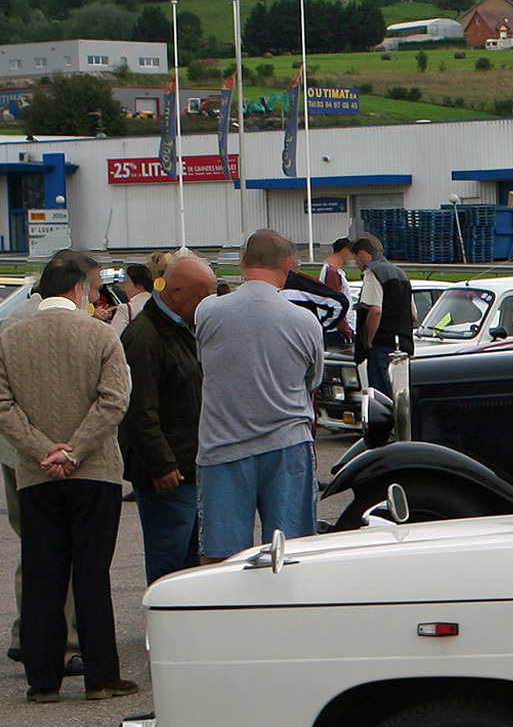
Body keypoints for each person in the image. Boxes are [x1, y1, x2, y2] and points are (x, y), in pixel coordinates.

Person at [0, 254, 137, 701]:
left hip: (36, 473)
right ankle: (101, 675)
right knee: (91, 573)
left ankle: (43, 680)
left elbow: (3, 406)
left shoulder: (11, 338)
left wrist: (44, 449)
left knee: (43, 572)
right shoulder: (100, 335)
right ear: (79, 290)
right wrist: (76, 449)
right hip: (95, 470)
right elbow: (114, 401)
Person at [195, 229, 325, 561]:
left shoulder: (208, 312)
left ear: (242, 262)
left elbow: (205, 363)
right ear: (288, 263)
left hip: (223, 446)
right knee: (292, 553)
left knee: (221, 558)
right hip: (287, 443)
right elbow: (313, 380)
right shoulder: (304, 320)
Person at [120, 253, 216, 583]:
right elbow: (138, 409)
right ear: (176, 294)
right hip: (167, 475)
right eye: (202, 297)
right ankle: (166, 629)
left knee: (191, 562)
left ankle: (187, 629)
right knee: (169, 561)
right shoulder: (145, 337)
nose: (207, 305)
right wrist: (161, 465)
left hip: (190, 466)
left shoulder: (183, 329)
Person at [351, 232, 414, 395]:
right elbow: (413, 315)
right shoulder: (402, 274)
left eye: (356, 258)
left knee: (381, 396)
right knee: (401, 395)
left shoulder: (373, 273)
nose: (356, 263)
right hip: (404, 345)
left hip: (382, 345)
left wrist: (369, 341)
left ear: (364, 254)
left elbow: (375, 310)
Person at [319, 238, 355, 354]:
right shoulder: (333, 272)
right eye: (352, 253)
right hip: (337, 332)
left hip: (335, 329)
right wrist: (346, 329)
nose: (353, 257)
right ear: (344, 251)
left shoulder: (330, 270)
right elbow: (336, 303)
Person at [106, 261, 155, 334]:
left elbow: (113, 338)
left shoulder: (126, 309)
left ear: (138, 285)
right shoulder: (159, 306)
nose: (125, 288)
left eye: (127, 283)